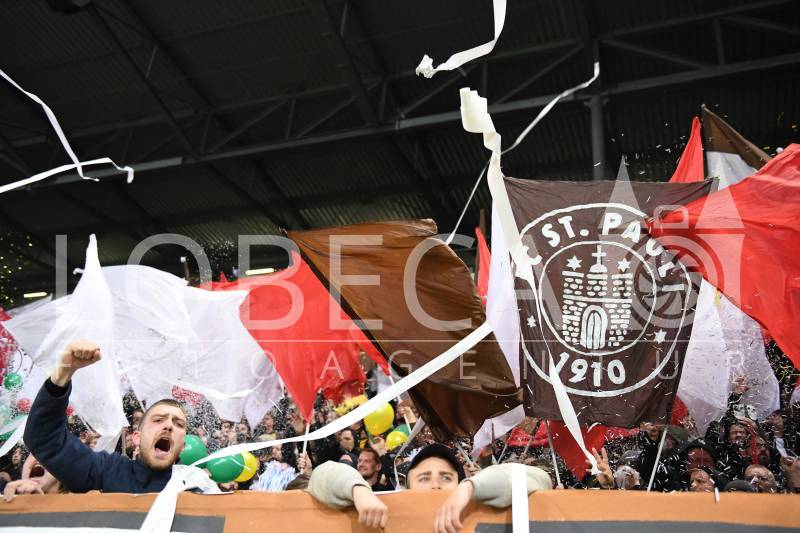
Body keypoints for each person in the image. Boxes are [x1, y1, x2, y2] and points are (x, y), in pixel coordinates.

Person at [23, 339, 188, 493]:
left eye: (179, 424)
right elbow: (44, 439)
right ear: (137, 437)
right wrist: (63, 373)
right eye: (158, 420)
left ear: (182, 445)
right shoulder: (107, 471)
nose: (169, 426)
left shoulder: (195, 487)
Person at [308, 443, 550, 530]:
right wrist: (359, 490)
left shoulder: (472, 499)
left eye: (446, 478)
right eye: (424, 478)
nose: (435, 485)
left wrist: (469, 488)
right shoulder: (386, 507)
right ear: (407, 485)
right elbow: (321, 475)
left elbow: (538, 478)